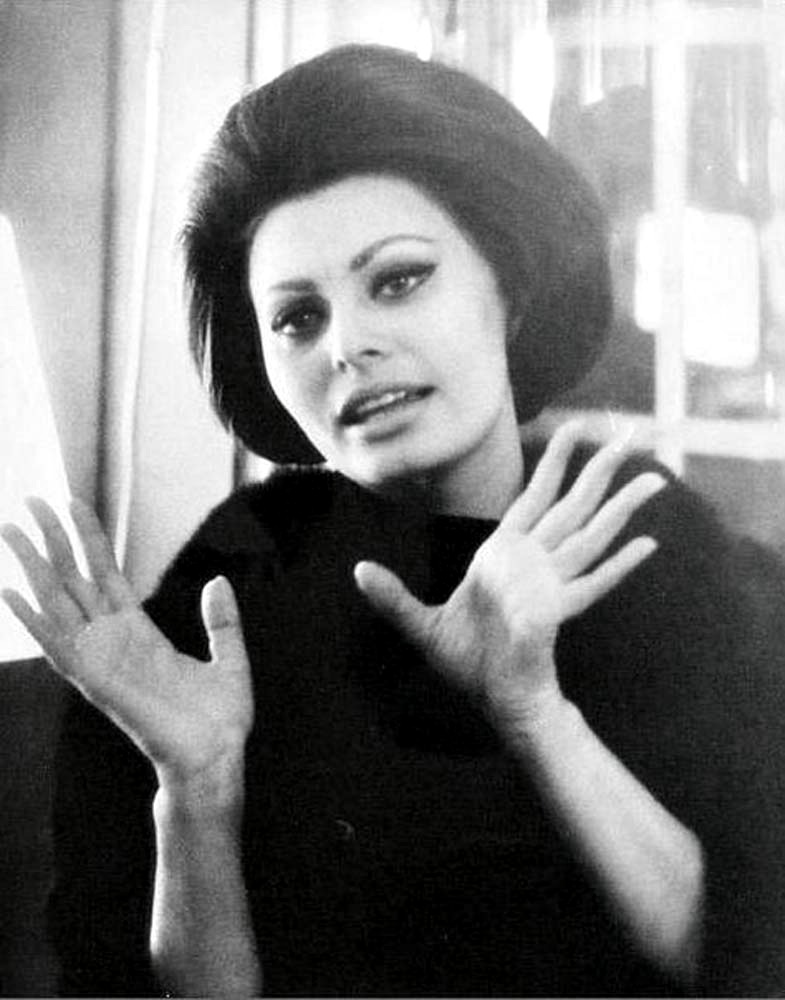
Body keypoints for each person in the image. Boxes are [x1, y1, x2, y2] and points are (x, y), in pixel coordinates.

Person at [2, 43, 785, 998]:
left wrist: (535, 713)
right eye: (297, 319)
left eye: (398, 280)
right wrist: (196, 789)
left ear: (508, 285)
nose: (349, 346)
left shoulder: (651, 545)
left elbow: (742, 959)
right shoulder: (238, 578)